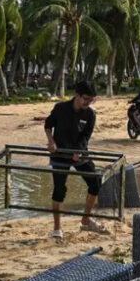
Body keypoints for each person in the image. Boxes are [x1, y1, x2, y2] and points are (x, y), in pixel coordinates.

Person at [44, 80, 106, 240]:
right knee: (59, 189)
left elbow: (86, 136)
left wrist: (78, 151)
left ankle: (86, 219)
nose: (88, 102)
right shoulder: (60, 108)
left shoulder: (90, 114)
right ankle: (57, 229)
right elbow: (48, 125)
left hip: (79, 153)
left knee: (95, 182)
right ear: (77, 95)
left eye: (91, 100)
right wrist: (51, 141)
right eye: (85, 98)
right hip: (60, 154)